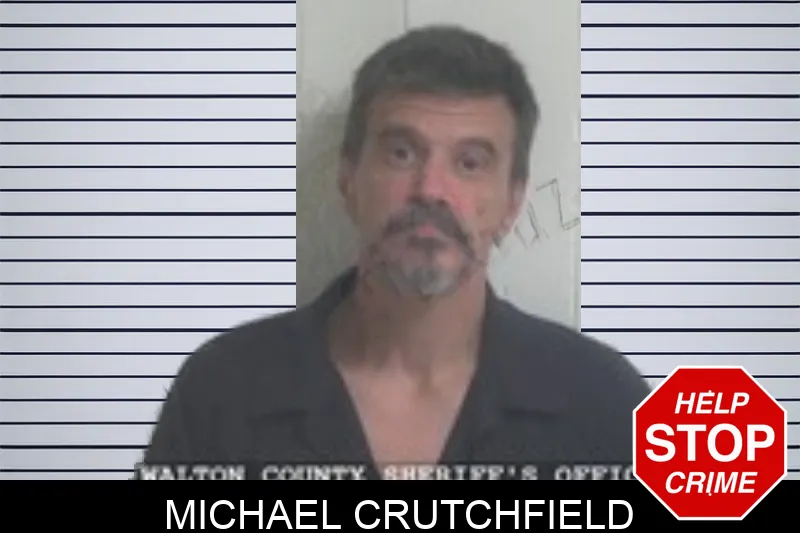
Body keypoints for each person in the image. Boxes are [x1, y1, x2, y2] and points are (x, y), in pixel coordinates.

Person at [143, 25, 650, 478]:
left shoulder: (605, 403)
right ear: (349, 181)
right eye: (401, 153)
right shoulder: (220, 394)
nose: (430, 189)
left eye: (470, 162)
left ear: (512, 202)